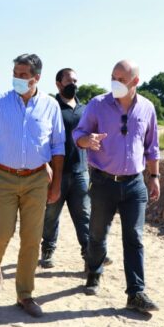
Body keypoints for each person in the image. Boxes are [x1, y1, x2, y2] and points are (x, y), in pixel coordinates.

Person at [0, 53, 65, 318]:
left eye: (23, 75)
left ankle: (25, 294)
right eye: (15, 73)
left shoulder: (50, 106)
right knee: (1, 232)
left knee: (32, 238)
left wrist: (56, 184)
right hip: (4, 176)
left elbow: (58, 147)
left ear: (36, 78)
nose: (17, 78)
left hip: (38, 179)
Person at [73, 60, 161, 314]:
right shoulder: (97, 105)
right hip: (102, 181)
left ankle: (136, 292)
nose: (115, 83)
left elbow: (152, 146)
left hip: (135, 183)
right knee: (98, 233)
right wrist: (86, 140)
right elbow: (78, 134)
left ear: (135, 82)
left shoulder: (147, 108)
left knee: (134, 237)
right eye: (112, 77)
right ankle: (94, 272)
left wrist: (154, 175)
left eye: (121, 79)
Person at [39, 68, 93, 269]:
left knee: (84, 215)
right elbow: (41, 138)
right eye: (69, 81)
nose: (73, 84)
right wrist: (44, 165)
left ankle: (89, 254)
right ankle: (48, 249)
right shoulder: (50, 107)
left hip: (80, 171)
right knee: (51, 214)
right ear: (58, 84)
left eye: (76, 80)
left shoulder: (84, 109)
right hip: (57, 172)